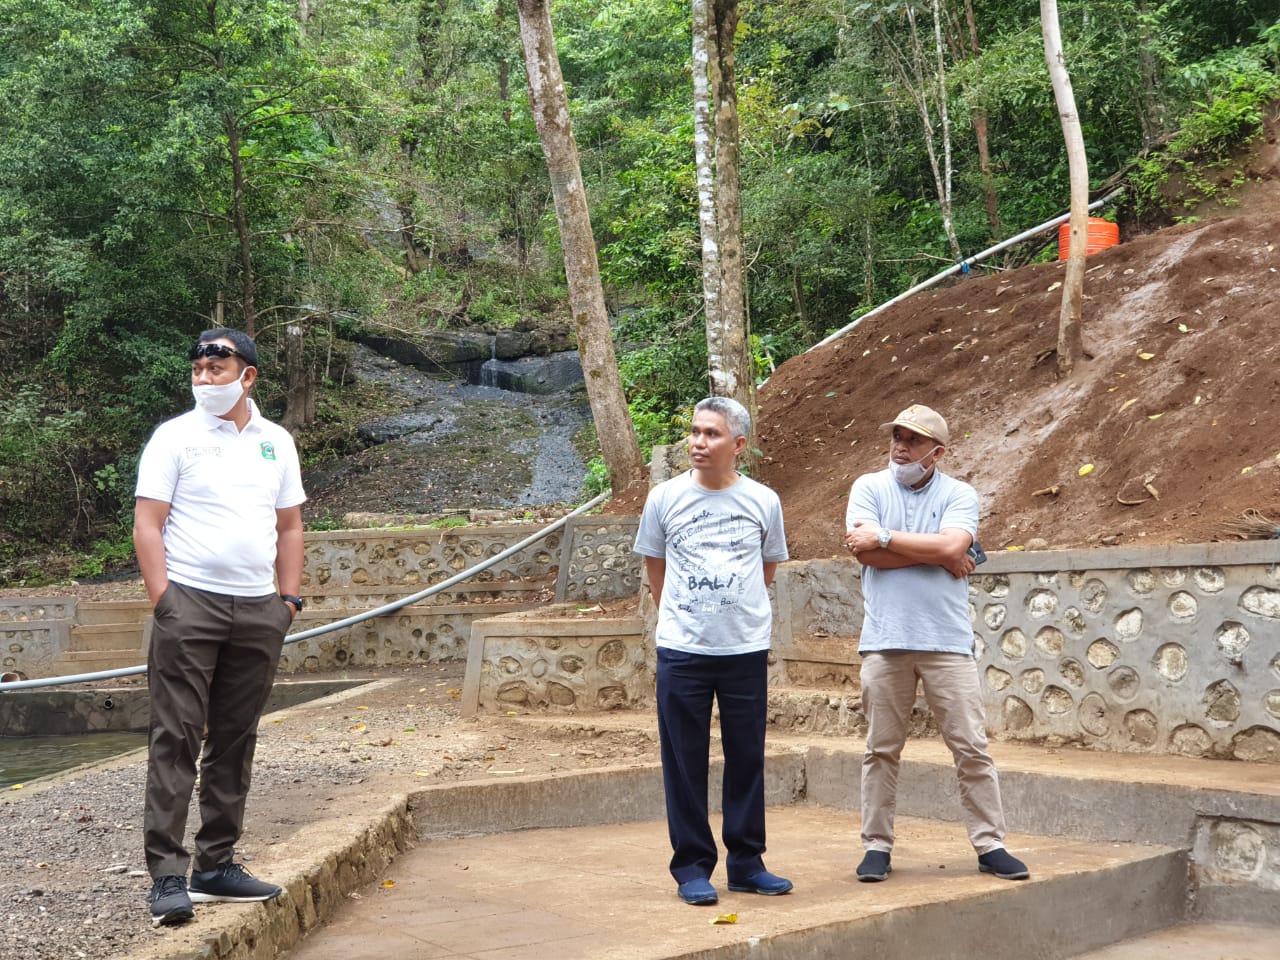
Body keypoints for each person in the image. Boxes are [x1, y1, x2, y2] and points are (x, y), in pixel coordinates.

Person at [133, 328, 306, 926]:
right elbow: (148, 523)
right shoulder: (173, 438)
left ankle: (216, 864)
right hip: (191, 606)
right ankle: (167, 877)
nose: (205, 377)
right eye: (199, 369)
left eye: (218, 366)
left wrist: (287, 599)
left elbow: (289, 526)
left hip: (259, 609)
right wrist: (166, 602)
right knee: (176, 738)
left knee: (235, 738)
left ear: (248, 375)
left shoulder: (276, 442)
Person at [843, 403, 1029, 883]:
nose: (900, 447)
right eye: (897, 436)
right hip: (885, 641)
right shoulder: (868, 487)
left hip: (947, 642)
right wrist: (937, 554)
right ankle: (876, 847)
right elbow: (869, 557)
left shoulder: (959, 493)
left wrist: (890, 538)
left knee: (971, 747)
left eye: (913, 440)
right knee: (880, 749)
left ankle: (991, 845)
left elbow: (951, 547)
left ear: (937, 452)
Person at [633, 396, 793, 906]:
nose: (698, 442)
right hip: (683, 650)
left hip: (744, 648)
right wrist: (680, 616)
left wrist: (733, 613)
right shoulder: (664, 498)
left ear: (738, 445)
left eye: (711, 434)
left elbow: (767, 569)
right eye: (695, 432)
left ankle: (747, 863)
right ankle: (692, 867)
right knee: (684, 762)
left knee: (747, 758)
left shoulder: (763, 500)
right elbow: (654, 566)